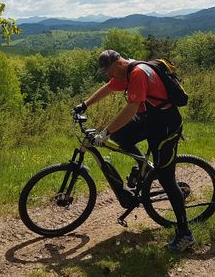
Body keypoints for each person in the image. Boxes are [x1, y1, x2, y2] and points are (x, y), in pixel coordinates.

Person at [73, 49, 194, 252]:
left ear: (119, 63)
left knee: (167, 179)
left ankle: (185, 234)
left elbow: (130, 110)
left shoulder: (137, 73)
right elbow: (109, 88)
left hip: (165, 124)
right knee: (122, 136)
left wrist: (105, 132)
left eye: (110, 71)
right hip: (150, 118)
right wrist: (85, 104)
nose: (110, 76)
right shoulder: (125, 71)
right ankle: (145, 167)